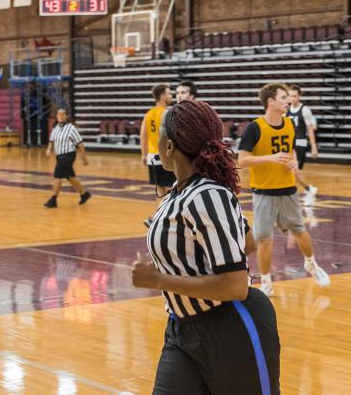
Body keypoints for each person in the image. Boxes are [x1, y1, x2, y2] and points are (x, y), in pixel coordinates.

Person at [130, 99, 280, 395]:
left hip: (230, 327)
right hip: (181, 327)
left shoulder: (209, 194)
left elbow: (235, 285)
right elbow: (245, 241)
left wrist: (159, 279)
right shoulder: (175, 194)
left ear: (170, 146)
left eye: (160, 133)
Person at [237, 83, 330, 296]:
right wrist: (269, 158)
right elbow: (242, 160)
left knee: (299, 230)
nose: (287, 100)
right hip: (264, 191)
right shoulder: (255, 128)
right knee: (264, 239)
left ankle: (311, 264)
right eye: (283, 97)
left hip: (288, 189)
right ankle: (267, 282)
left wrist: (294, 163)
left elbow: (292, 153)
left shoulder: (289, 124)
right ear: (271, 102)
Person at [43, 109, 92, 208]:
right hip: (59, 156)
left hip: (69, 154)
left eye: (63, 114)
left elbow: (80, 143)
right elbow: (51, 140)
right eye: (59, 114)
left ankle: (53, 199)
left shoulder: (71, 128)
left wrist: (84, 158)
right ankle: (84, 194)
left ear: (66, 116)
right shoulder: (55, 127)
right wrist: (48, 149)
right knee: (69, 177)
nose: (60, 116)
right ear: (56, 116)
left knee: (57, 176)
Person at [285, 84, 320, 206]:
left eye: (295, 96)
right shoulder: (286, 110)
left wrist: (314, 147)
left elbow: (310, 130)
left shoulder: (305, 110)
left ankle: (308, 190)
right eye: (290, 96)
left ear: (299, 96)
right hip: (290, 144)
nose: (292, 98)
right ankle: (308, 190)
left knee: (293, 172)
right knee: (291, 172)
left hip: (300, 144)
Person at [142, 84, 177, 199]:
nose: (171, 96)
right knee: (171, 190)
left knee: (160, 189)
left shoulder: (148, 114)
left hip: (151, 157)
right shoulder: (167, 113)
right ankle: (166, 215)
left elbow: (143, 136)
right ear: (162, 96)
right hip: (164, 156)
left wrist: (144, 155)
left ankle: (160, 215)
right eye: (168, 93)